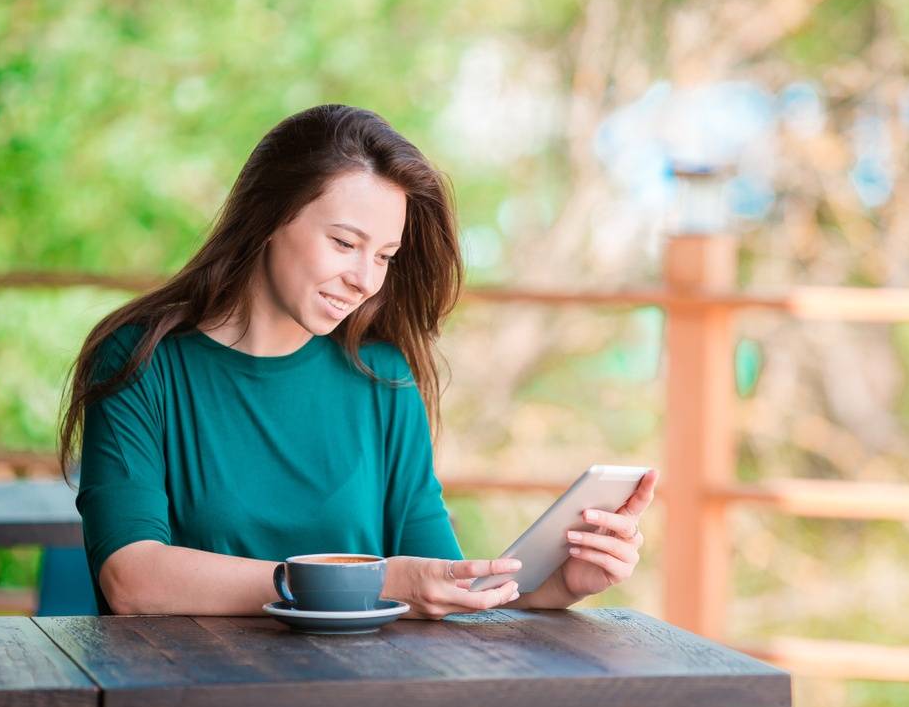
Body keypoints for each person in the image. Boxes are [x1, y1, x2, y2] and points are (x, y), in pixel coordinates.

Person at [58, 104, 658, 618]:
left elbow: (437, 583)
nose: (364, 280)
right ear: (267, 218)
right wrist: (363, 584)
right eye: (345, 243)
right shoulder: (143, 360)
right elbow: (131, 579)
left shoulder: (383, 377)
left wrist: (556, 586)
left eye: (385, 256)